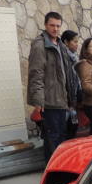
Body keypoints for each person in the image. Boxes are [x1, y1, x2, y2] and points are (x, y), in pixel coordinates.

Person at [27, 11, 69, 157]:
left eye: (58, 26)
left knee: (61, 136)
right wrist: (38, 101)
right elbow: (36, 73)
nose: (55, 29)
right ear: (45, 25)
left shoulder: (61, 44)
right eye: (52, 25)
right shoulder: (40, 45)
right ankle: (51, 171)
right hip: (48, 101)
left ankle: (59, 167)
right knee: (52, 138)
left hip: (61, 100)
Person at [61, 29, 82, 139]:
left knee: (73, 128)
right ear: (66, 42)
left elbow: (76, 79)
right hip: (65, 100)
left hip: (73, 100)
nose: (77, 44)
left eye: (77, 42)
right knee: (64, 130)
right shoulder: (62, 57)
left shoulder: (75, 57)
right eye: (74, 41)